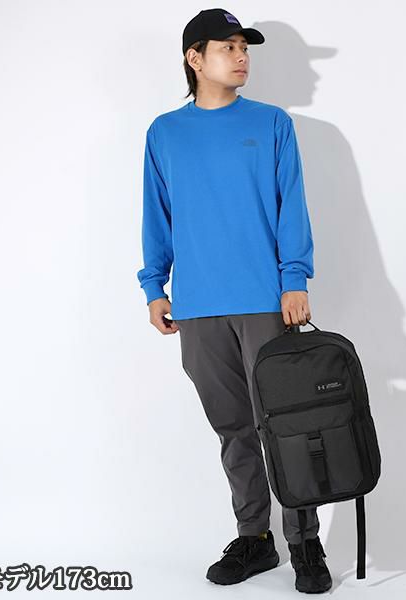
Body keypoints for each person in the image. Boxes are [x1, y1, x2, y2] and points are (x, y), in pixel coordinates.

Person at [136, 8, 332, 594]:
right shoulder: (164, 133)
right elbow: (157, 214)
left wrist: (294, 279)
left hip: (265, 300)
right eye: (228, 47)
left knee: (285, 425)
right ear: (194, 58)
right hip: (197, 307)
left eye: (245, 47)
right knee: (233, 428)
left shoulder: (271, 124)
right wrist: (154, 287)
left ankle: (305, 542)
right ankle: (256, 538)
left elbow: (292, 204)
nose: (242, 56)